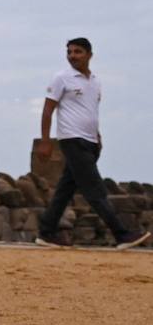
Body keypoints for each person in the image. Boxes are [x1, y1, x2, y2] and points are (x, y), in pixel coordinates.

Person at [35, 38, 150, 249]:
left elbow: (90, 111)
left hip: (90, 142)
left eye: (77, 52)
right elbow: (48, 110)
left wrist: (97, 136)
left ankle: (46, 232)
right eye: (69, 52)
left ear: (89, 54)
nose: (72, 56)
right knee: (95, 189)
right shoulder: (62, 78)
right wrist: (45, 140)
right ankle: (121, 234)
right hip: (72, 140)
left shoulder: (95, 81)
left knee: (66, 189)